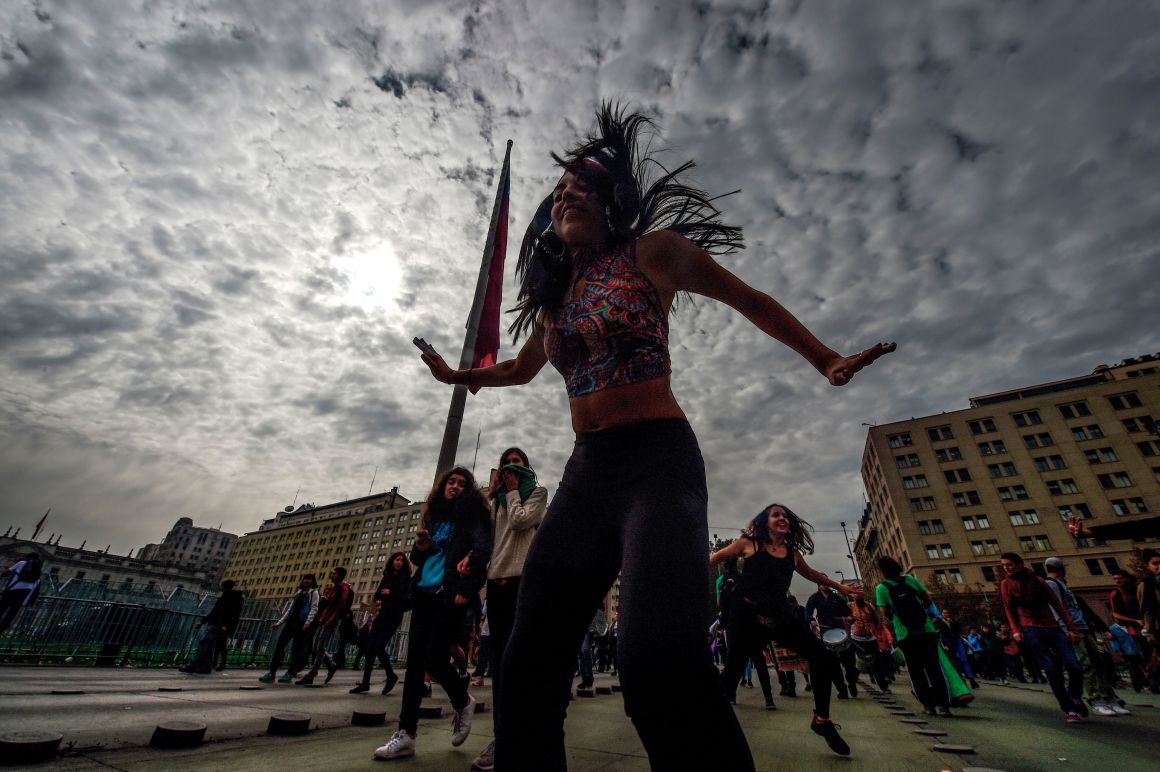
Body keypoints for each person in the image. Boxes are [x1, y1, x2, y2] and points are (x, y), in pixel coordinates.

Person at [417, 103, 893, 771]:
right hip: (587, 477)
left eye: (582, 183)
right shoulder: (556, 302)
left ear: (613, 198)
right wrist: (457, 375)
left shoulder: (654, 253)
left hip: (658, 466)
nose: (567, 193)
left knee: (657, 666)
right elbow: (520, 370)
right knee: (527, 660)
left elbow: (749, 300)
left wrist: (826, 360)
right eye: (558, 191)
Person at [710, 504, 861, 755]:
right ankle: (709, 729)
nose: (782, 518)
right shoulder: (748, 543)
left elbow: (812, 574)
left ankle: (822, 721)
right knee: (732, 672)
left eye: (785, 516)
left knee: (821, 657)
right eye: (776, 514)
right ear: (765, 521)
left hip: (779, 615)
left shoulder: (792, 554)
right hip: (746, 616)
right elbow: (714, 558)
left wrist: (840, 587)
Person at [375, 467, 492, 761]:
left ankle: (461, 699)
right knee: (415, 664)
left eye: (461, 483)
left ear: (468, 490)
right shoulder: (435, 514)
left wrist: (466, 588)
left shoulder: (473, 516)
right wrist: (422, 546)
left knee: (433, 657)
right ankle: (406, 734)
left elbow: (481, 550)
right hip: (424, 593)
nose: (454, 486)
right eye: (450, 482)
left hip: (449, 593)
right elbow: (420, 557)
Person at [471, 447, 547, 772]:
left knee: (521, 664)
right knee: (500, 668)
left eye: (518, 463)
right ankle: (502, 738)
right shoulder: (497, 501)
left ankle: (525, 735)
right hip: (497, 582)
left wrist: (513, 491)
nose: (512, 467)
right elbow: (489, 538)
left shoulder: (537, 493)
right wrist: (491, 500)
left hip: (523, 582)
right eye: (507, 463)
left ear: (527, 468)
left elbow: (521, 521)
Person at [999, 552, 1086, 722]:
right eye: (1003, 565)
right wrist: (1015, 630)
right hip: (1031, 629)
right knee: (1051, 669)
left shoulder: (1038, 581)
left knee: (1074, 665)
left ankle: (1075, 696)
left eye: (1008, 564)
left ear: (1019, 564)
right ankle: (1069, 708)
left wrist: (1071, 628)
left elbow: (1057, 604)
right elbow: (1008, 608)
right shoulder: (1006, 584)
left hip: (1053, 627)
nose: (1006, 568)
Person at [1043, 556, 1129, 716]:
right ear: (1063, 568)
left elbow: (1081, 610)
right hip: (1071, 629)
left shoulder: (1064, 586)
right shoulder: (1051, 584)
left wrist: (1097, 627)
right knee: (1086, 664)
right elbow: (1056, 609)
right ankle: (1095, 698)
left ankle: (1108, 695)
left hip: (1083, 627)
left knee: (1098, 662)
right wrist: (1068, 628)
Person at [874, 556, 952, 717]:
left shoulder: (882, 588)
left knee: (915, 670)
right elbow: (927, 599)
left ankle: (928, 705)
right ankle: (944, 706)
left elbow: (884, 612)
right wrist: (922, 613)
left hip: (905, 633)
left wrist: (898, 616)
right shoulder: (910, 580)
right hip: (926, 630)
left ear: (882, 572)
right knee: (934, 668)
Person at [351, 552, 411, 695]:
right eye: (397, 559)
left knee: (379, 647)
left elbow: (405, 598)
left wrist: (391, 593)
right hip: (382, 615)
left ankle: (391, 675)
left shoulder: (406, 579)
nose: (399, 562)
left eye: (402, 560)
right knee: (370, 648)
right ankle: (365, 683)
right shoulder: (387, 576)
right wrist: (380, 597)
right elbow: (378, 593)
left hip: (394, 616)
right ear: (392, 561)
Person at [297, 567, 353, 685]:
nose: (332, 575)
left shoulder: (342, 589)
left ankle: (312, 673)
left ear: (340, 576)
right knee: (316, 646)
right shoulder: (331, 588)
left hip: (331, 620)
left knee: (320, 645)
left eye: (334, 574)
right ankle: (331, 664)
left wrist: (332, 618)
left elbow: (341, 606)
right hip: (324, 618)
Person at [260, 574, 319, 683]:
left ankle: (290, 673)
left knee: (295, 650)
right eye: (305, 579)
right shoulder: (298, 593)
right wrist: (279, 622)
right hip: (290, 623)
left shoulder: (314, 593)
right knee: (279, 647)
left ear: (312, 581)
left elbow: (314, 609)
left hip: (301, 626)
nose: (307, 581)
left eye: (309, 579)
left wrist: (307, 622)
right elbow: (290, 609)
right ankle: (272, 672)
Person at [806, 578, 859, 698]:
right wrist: (811, 620)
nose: (824, 584)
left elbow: (847, 612)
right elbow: (808, 612)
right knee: (833, 665)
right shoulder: (814, 598)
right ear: (818, 585)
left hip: (841, 633)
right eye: (822, 582)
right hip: (826, 634)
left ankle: (852, 682)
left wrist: (850, 617)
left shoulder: (836, 598)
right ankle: (842, 689)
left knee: (850, 663)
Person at [181, 579, 244, 674]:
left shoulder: (226, 598)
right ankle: (206, 666)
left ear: (224, 586)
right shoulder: (234, 598)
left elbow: (216, 612)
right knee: (210, 645)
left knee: (205, 643)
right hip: (221, 625)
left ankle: (195, 664)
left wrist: (204, 621)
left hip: (217, 624)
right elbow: (231, 615)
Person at [0, 552, 43, 635]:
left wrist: (3, 571)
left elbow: (7, 572)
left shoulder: (22, 563)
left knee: (2, 607)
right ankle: (2, 628)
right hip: (26, 591)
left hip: (14, 588)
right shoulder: (38, 569)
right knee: (13, 611)